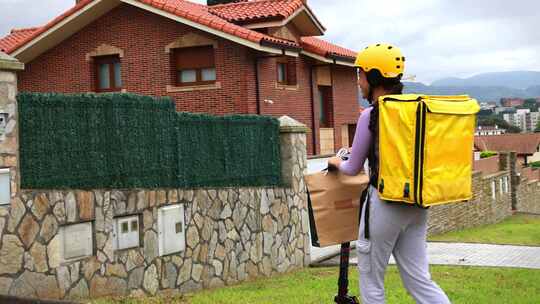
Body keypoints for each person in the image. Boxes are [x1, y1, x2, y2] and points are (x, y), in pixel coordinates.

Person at [328, 43, 451, 304]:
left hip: (383, 204)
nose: (359, 82)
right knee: (420, 281)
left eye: (360, 75)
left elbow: (352, 168)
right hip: (417, 204)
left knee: (372, 281)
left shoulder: (372, 114)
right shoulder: (417, 109)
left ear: (373, 76)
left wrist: (336, 161)